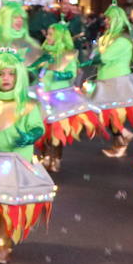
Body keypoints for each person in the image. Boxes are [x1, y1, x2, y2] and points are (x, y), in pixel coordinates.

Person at [0, 49, 56, 263]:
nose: (6, 78)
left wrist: (28, 136)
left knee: (8, 205)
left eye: (11, 74)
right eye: (1, 73)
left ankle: (3, 241)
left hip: (16, 165)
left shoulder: (27, 106)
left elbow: (38, 128)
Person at [85, 1, 133, 157]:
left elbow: (104, 57)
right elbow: (96, 54)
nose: (106, 21)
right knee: (107, 113)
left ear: (117, 20)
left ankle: (123, 137)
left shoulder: (122, 41)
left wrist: (95, 56)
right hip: (105, 79)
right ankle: (120, 141)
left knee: (108, 113)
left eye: (109, 19)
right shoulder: (110, 38)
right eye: (106, 19)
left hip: (117, 81)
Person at [29, 19, 100, 171]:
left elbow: (71, 73)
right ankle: (45, 156)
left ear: (59, 37)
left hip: (60, 96)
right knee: (43, 127)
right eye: (47, 34)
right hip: (42, 95)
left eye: (50, 34)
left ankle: (56, 157)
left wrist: (54, 73)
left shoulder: (68, 55)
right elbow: (34, 69)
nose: (47, 37)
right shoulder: (45, 52)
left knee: (56, 129)